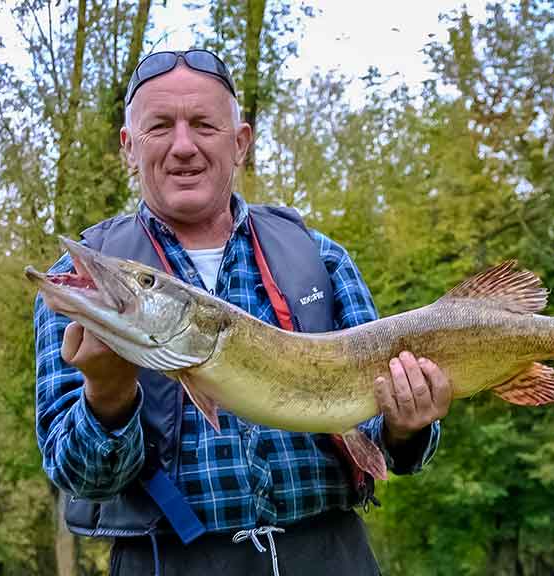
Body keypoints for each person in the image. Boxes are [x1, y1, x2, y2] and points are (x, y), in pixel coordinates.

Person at [33, 49, 453, 575]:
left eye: (204, 125)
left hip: (329, 554)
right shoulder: (84, 290)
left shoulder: (320, 257)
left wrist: (407, 427)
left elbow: (387, 446)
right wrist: (108, 395)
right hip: (169, 561)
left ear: (241, 143)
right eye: (159, 126)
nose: (183, 146)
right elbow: (81, 477)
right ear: (128, 149)